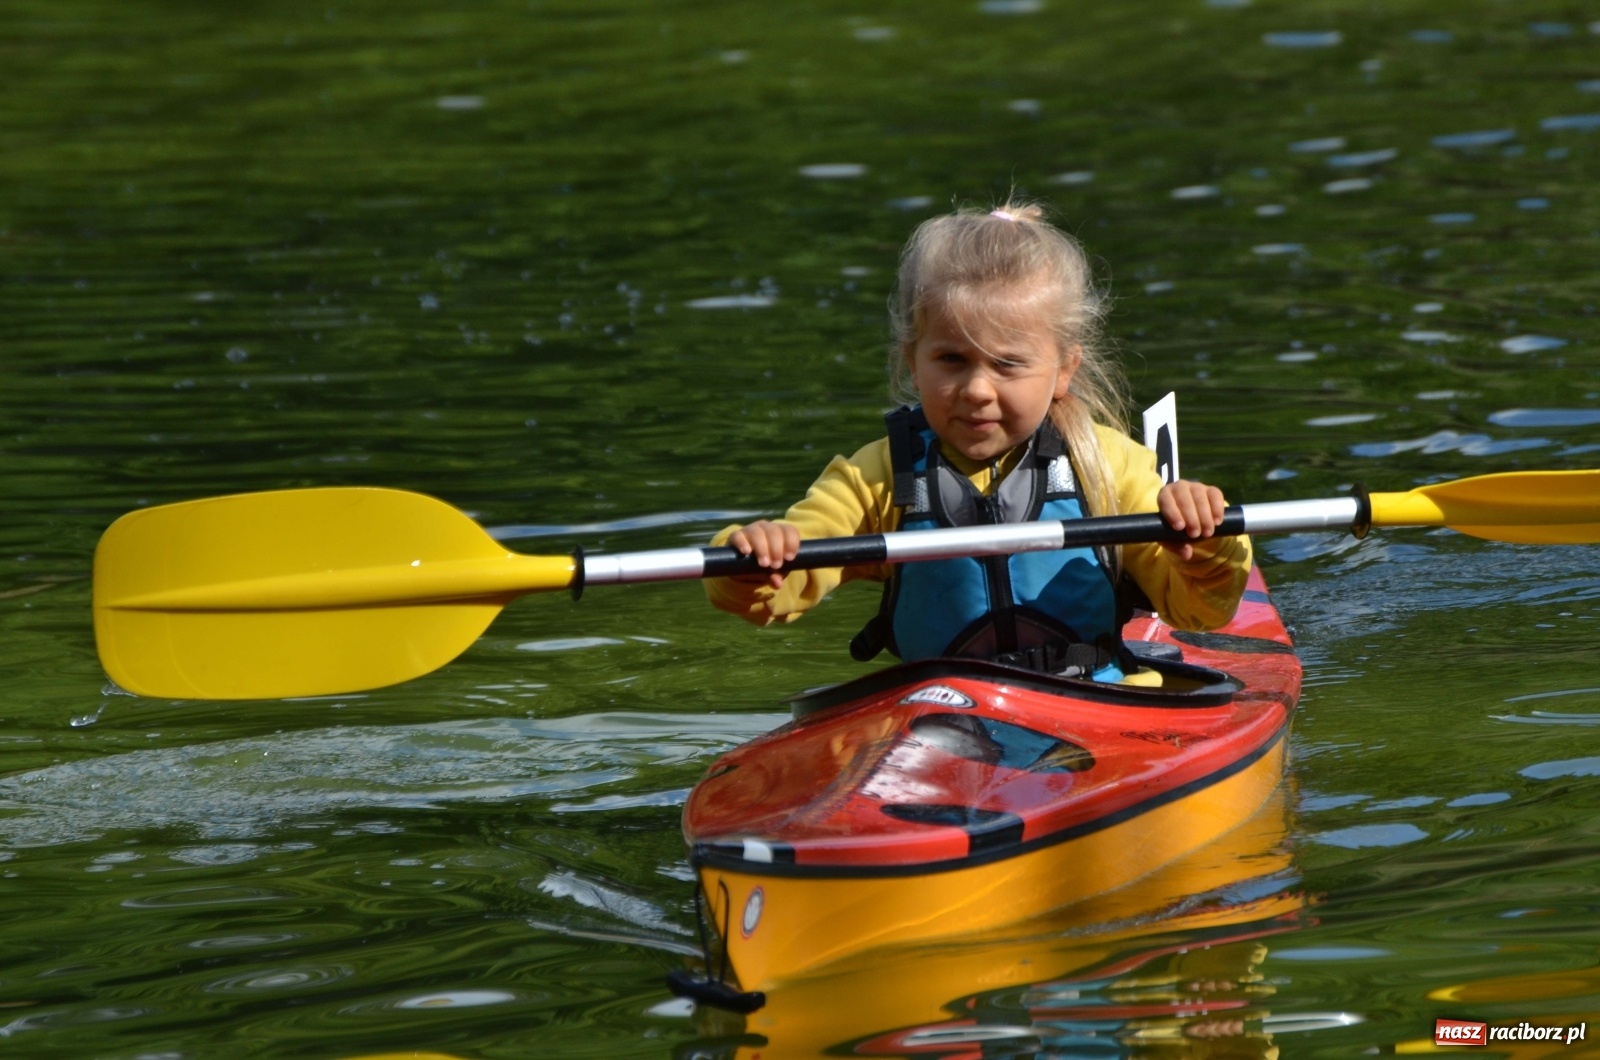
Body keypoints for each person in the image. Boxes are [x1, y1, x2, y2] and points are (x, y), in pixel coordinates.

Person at [705, 200, 1251, 681]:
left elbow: (1199, 612)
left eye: (1008, 364)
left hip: (1099, 701)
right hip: (941, 717)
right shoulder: (877, 477)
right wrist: (754, 558)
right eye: (951, 360)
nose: (976, 391)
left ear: (1063, 370)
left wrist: (1208, 545)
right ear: (911, 361)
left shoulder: (1108, 467)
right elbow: (770, 595)